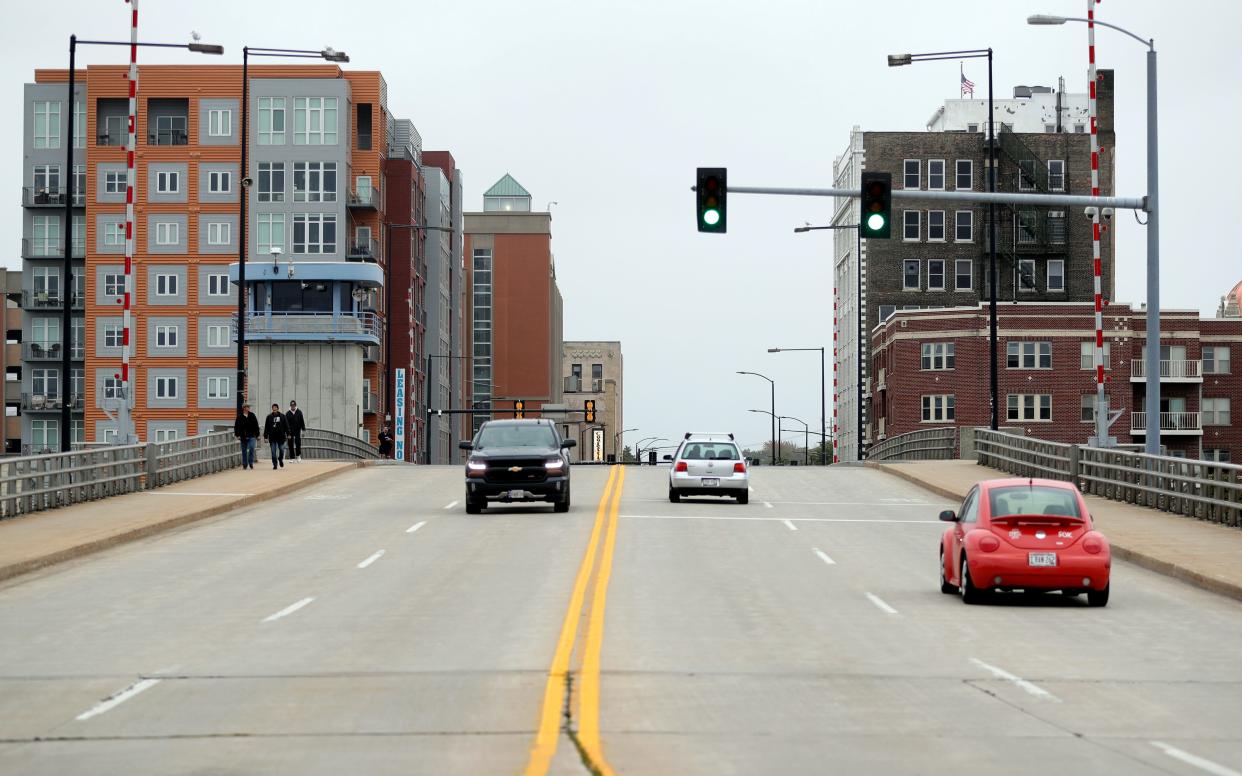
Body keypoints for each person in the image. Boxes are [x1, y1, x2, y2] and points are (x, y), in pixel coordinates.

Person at [234, 404, 260, 470]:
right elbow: (236, 427)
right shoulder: (239, 417)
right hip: (243, 436)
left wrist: (257, 435)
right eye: (246, 407)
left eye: (248, 407)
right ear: (244, 408)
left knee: (251, 448)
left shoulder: (252, 415)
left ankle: (250, 463)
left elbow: (256, 425)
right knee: (244, 451)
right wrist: (237, 435)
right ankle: (245, 464)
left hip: (252, 435)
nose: (247, 408)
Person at [263, 403, 289, 470]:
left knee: (281, 450)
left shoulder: (282, 416)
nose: (274, 409)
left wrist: (288, 434)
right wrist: (265, 437)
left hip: (281, 437)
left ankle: (280, 459)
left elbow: (286, 426)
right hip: (272, 437)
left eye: (275, 407)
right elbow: (266, 427)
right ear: (272, 409)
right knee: (273, 452)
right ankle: (275, 464)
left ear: (277, 408)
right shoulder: (269, 417)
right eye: (273, 407)